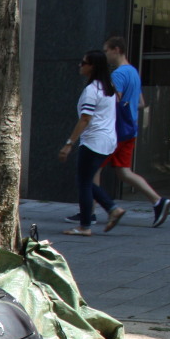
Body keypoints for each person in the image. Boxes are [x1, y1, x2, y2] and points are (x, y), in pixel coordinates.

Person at [68, 36, 170, 230]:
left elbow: (111, 102)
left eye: (106, 51)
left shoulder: (118, 75)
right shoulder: (133, 72)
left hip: (113, 132)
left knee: (92, 172)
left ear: (116, 50)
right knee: (123, 171)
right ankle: (158, 201)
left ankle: (89, 213)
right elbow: (141, 103)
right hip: (129, 129)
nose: (105, 55)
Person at [60, 50, 118, 236]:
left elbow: (85, 118)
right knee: (85, 181)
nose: (80, 65)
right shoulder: (108, 87)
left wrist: (69, 143)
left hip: (94, 141)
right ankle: (111, 209)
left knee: (84, 183)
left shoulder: (92, 90)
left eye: (83, 62)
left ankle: (85, 225)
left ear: (92, 66)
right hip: (108, 141)